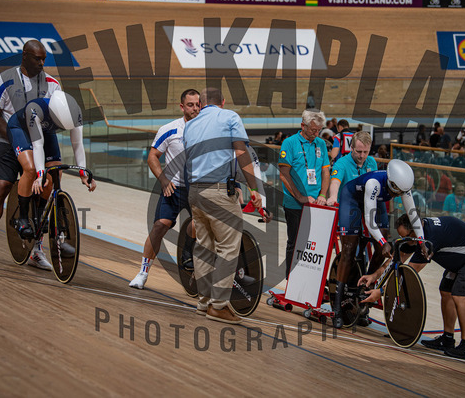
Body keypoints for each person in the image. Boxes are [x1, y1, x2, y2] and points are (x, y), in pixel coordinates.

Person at [360, 214, 465, 360]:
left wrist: (381, 292)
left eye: (406, 237)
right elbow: (394, 261)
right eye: (401, 236)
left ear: (415, 231)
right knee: (445, 291)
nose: (405, 240)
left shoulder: (428, 240)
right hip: (462, 255)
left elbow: (408, 276)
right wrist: (374, 276)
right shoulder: (416, 235)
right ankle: (448, 338)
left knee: (459, 295)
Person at [0, 40, 59, 262]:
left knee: (45, 187)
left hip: (38, 143)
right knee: (1, 187)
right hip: (8, 141)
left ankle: (37, 249)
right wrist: (15, 140)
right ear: (24, 56)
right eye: (37, 59)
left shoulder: (52, 84)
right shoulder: (2, 80)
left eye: (44, 59)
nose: (41, 63)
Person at [183, 88, 262, 325]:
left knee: (203, 247)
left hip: (195, 192)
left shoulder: (190, 125)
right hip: (218, 192)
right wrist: (254, 188)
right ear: (223, 102)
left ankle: (204, 302)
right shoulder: (230, 117)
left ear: (202, 103)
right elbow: (241, 152)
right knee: (228, 248)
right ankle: (218, 306)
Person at [6, 90, 97, 269]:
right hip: (21, 128)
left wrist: (83, 174)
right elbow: (38, 145)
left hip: (46, 130)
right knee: (31, 169)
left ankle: (40, 215)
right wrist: (40, 175)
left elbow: (77, 144)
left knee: (56, 172)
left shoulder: (75, 113)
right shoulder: (35, 109)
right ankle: (23, 218)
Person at [331, 159, 426, 328]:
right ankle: (337, 307)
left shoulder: (402, 186)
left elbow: (413, 215)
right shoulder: (373, 183)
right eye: (397, 192)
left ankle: (365, 288)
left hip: (377, 200)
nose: (399, 195)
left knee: (382, 250)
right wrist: (383, 242)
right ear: (392, 183)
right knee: (349, 250)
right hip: (352, 199)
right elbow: (369, 222)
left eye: (402, 192)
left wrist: (422, 241)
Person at [129, 89, 200, 289]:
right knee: (160, 226)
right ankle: (143, 273)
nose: (195, 108)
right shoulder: (169, 129)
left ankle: (188, 255)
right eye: (190, 105)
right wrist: (163, 180)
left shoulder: (206, 130)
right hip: (174, 188)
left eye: (198, 105)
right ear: (182, 107)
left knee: (200, 225)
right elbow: (153, 156)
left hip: (197, 188)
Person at [279, 109, 330, 278]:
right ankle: (291, 279)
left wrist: (323, 194)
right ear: (303, 126)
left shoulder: (321, 144)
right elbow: (284, 175)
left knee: (314, 246)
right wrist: (300, 197)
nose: (316, 134)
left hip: (316, 204)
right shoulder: (290, 143)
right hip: (295, 204)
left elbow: (325, 172)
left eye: (319, 130)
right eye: (313, 130)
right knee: (295, 243)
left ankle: (309, 281)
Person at [326, 131, 376, 206]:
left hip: (366, 205)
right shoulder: (341, 163)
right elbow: (335, 182)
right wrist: (333, 197)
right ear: (352, 148)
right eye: (359, 151)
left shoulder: (371, 162)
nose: (362, 156)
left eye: (365, 152)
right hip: (347, 206)